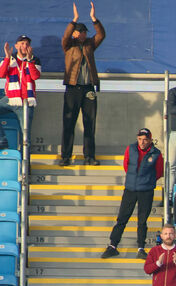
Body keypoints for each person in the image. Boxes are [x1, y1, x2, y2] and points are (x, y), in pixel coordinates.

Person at [102, 127, 163, 259]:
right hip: (130, 189)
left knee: (142, 221)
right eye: (140, 139)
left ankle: (141, 248)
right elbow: (126, 165)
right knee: (122, 218)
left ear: (150, 140)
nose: (142, 142)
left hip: (146, 191)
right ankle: (113, 245)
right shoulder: (131, 149)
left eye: (145, 140)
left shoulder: (156, 153)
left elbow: (159, 171)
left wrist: (145, 181)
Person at [59, 3, 105, 166]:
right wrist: (74, 20)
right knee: (69, 122)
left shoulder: (89, 45)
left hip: (88, 88)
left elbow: (101, 34)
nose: (83, 35)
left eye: (85, 32)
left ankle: (89, 156)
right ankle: (65, 156)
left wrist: (94, 18)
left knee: (90, 123)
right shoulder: (69, 45)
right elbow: (65, 37)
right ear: (75, 33)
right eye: (80, 32)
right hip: (72, 88)